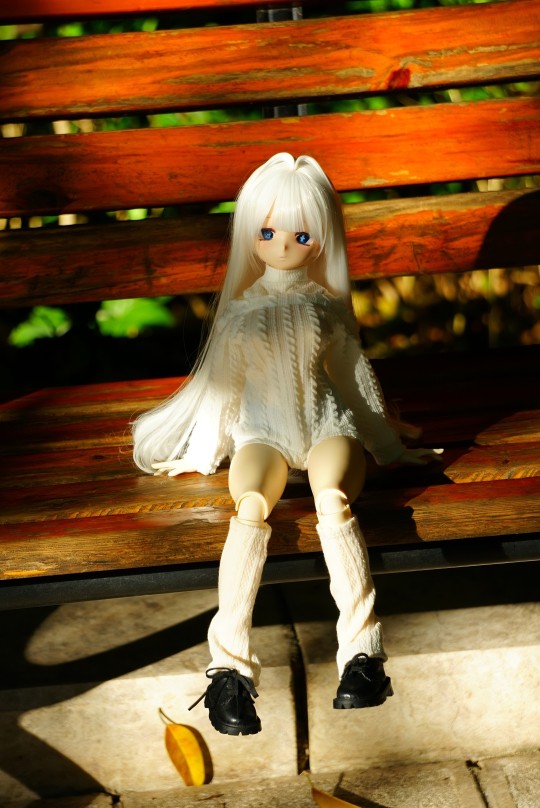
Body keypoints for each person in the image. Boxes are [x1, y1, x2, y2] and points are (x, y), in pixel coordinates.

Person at [132, 153, 441, 736]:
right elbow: (221, 391)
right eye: (267, 232)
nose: (281, 246)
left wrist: (388, 445)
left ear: (321, 240)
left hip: (328, 426)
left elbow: (354, 382)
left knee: (332, 499)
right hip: (262, 435)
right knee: (250, 506)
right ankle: (228, 668)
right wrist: (202, 452)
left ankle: (363, 655)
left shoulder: (325, 306)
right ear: (250, 234)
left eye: (301, 236)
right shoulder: (238, 315)